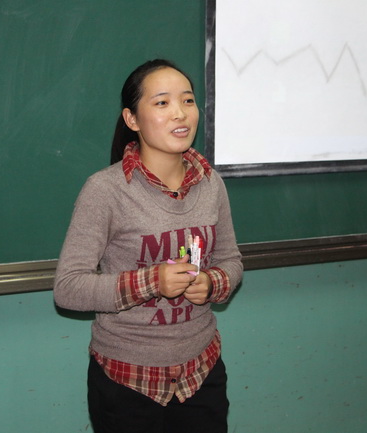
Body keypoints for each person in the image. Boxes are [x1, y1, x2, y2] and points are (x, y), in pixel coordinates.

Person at [54, 59, 243, 433]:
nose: (180, 113)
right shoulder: (105, 190)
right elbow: (68, 288)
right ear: (132, 119)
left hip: (201, 374)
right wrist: (152, 281)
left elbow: (231, 260)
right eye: (162, 102)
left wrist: (213, 283)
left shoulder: (211, 183)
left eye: (188, 100)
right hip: (128, 383)